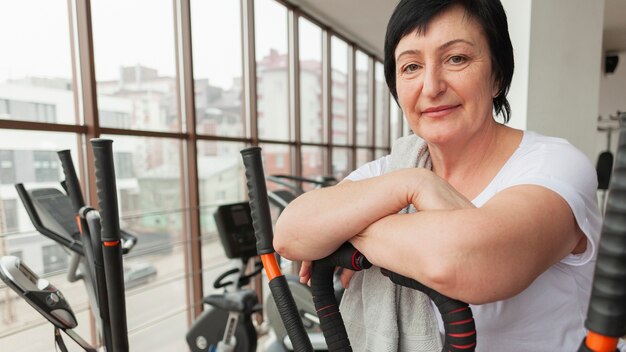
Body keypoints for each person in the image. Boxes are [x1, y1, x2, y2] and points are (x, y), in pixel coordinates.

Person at [274, 0, 604, 351]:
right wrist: (414, 184)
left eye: (456, 59)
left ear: (497, 75)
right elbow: (290, 234)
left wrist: (344, 231)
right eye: (411, 66)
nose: (431, 87)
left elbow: (461, 262)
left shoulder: (555, 166)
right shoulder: (396, 170)